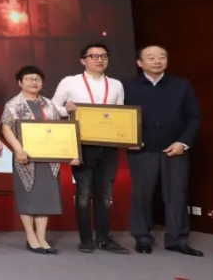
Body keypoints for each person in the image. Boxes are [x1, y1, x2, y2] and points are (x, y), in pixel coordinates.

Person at [123, 45, 203, 256]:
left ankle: (177, 240)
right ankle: (142, 238)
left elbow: (194, 118)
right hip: (141, 150)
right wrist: (128, 140)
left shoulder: (181, 85)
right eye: (151, 57)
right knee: (141, 196)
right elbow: (117, 117)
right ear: (140, 63)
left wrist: (182, 143)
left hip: (174, 149)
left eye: (162, 57)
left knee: (177, 195)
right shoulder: (127, 86)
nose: (157, 61)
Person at [51, 42, 128, 254]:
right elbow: (53, 107)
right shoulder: (70, 82)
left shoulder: (116, 85)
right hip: (81, 144)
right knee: (84, 193)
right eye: (94, 56)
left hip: (108, 145)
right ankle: (86, 239)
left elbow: (122, 113)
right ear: (83, 60)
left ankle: (104, 238)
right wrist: (66, 109)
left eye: (104, 56)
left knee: (105, 193)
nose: (99, 60)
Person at [0, 65, 78, 255]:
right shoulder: (13, 104)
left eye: (37, 79)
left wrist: (70, 152)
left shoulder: (49, 104)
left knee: (45, 197)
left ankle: (42, 237)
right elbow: (6, 127)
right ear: (20, 83)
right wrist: (18, 149)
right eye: (29, 79)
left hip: (48, 158)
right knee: (28, 196)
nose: (33, 82)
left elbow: (60, 130)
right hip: (25, 158)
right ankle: (31, 237)